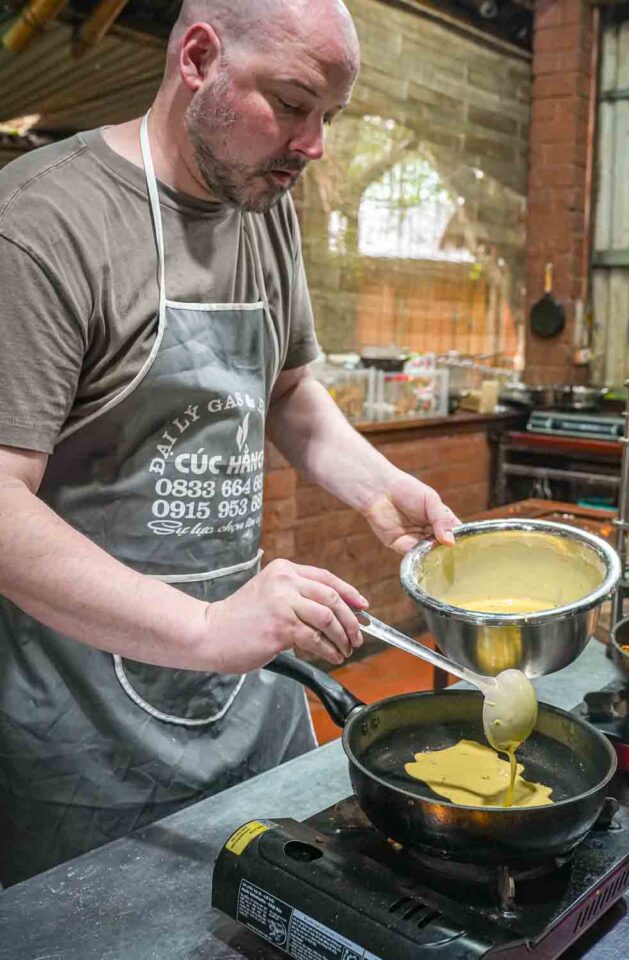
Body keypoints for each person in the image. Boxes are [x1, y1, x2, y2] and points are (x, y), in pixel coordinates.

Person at [0, 0, 460, 886]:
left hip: (247, 706)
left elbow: (289, 393)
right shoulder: (42, 226)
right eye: (293, 104)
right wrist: (210, 625)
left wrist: (378, 484)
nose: (314, 144)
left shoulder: (262, 202)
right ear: (199, 58)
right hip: (82, 742)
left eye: (329, 116)